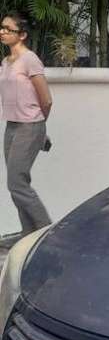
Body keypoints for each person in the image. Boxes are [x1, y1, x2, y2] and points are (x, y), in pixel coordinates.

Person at [0, 12, 53, 235]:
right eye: (1, 27)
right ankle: (28, 235)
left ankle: (45, 233)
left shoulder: (30, 59)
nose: (2, 32)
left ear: (22, 35)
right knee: (17, 185)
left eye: (8, 29)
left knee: (16, 184)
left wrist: (39, 129)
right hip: (11, 126)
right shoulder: (6, 61)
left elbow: (46, 100)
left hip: (29, 126)